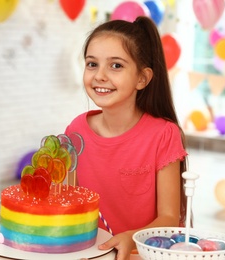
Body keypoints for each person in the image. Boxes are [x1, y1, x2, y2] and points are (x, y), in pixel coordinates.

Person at [65, 16, 188, 260]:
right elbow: (71, 203)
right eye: (92, 64)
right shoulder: (75, 132)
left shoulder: (164, 134)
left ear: (142, 78)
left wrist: (131, 238)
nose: (99, 75)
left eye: (116, 66)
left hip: (145, 254)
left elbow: (168, 218)